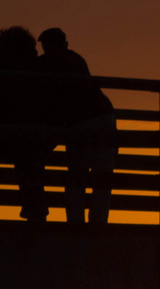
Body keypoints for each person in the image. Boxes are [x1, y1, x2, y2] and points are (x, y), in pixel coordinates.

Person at [37, 27, 118, 224]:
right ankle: (97, 224)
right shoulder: (75, 60)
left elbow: (56, 102)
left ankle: (76, 223)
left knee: (77, 174)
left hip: (82, 123)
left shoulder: (49, 64)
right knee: (101, 176)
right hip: (104, 118)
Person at [0, 26, 49, 220]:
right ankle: (36, 208)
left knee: (24, 166)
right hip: (32, 126)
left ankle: (32, 207)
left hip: (6, 125)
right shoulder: (33, 61)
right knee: (33, 166)